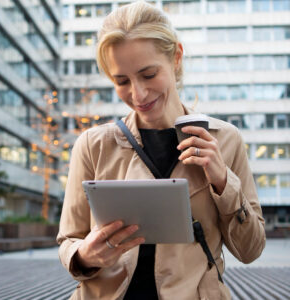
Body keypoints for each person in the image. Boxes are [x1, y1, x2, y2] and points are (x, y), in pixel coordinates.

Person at [57, 2, 266, 299]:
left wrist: (222, 180)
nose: (138, 94)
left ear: (176, 57)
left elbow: (251, 250)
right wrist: (86, 256)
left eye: (148, 74)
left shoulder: (225, 139)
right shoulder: (93, 145)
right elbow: (69, 241)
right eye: (122, 81)